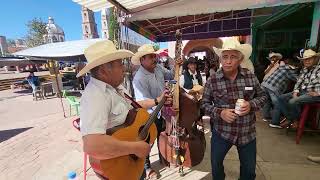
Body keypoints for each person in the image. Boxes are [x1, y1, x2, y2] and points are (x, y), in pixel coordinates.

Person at [77, 40, 172, 179]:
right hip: (118, 167)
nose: (124, 68)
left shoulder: (116, 87)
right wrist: (134, 148)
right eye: (120, 64)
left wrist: (158, 100)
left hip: (129, 162)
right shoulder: (95, 95)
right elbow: (92, 145)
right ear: (104, 70)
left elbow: (134, 107)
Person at [201, 39, 267, 180]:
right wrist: (220, 113)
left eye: (233, 57)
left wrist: (251, 105)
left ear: (240, 59)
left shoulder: (250, 76)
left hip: (246, 132)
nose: (228, 61)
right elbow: (204, 104)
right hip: (222, 132)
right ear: (220, 59)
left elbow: (263, 96)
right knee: (216, 166)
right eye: (225, 57)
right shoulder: (212, 80)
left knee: (249, 172)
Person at [132, 44, 182, 179]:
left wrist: (175, 65)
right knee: (147, 142)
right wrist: (158, 100)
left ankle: (164, 157)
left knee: (161, 135)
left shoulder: (158, 67)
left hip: (162, 111)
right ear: (142, 59)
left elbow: (171, 75)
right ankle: (147, 168)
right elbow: (140, 103)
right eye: (151, 57)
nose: (154, 59)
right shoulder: (139, 78)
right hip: (149, 115)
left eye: (155, 56)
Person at [279, 49, 320, 129]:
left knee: (293, 101)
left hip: (314, 94)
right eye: (305, 59)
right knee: (281, 98)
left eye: (309, 59)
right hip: (303, 92)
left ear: (314, 59)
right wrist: (295, 91)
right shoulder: (304, 69)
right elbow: (298, 82)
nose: (307, 61)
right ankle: (291, 118)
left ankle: (295, 120)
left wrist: (318, 93)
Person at [261, 59, 300, 128]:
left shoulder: (282, 67)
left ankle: (266, 117)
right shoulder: (291, 70)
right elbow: (299, 80)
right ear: (295, 66)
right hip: (273, 87)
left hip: (264, 84)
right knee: (278, 104)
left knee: (267, 101)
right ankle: (275, 122)